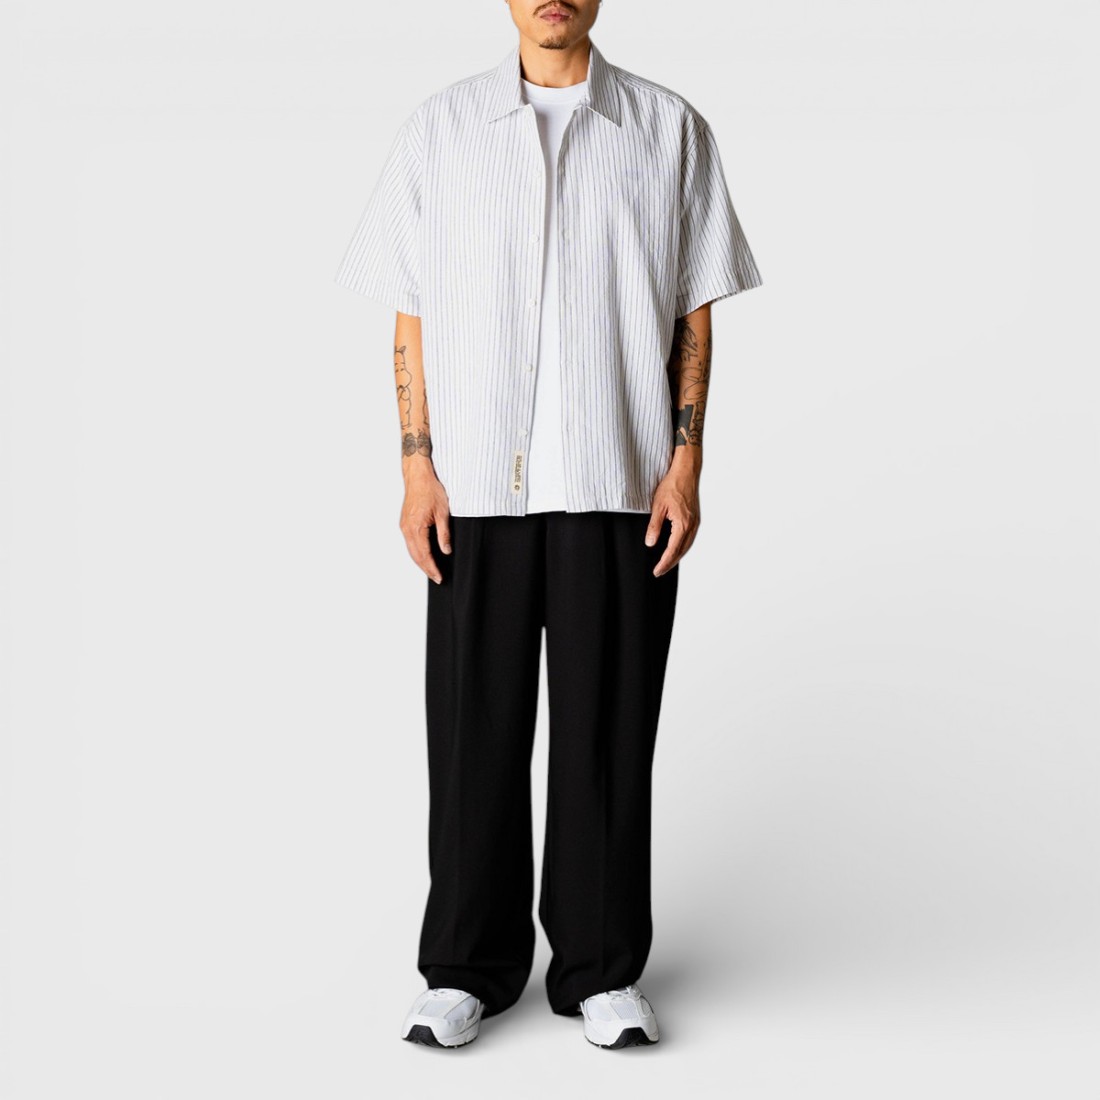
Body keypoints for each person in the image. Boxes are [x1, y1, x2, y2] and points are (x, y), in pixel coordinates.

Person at [334, 0, 761, 1050]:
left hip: (618, 477)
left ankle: (601, 968)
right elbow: (409, 310)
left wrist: (686, 459)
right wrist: (416, 464)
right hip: (475, 482)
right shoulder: (440, 129)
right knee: (470, 730)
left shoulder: (668, 130)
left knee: (607, 733)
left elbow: (694, 308)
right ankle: (463, 967)